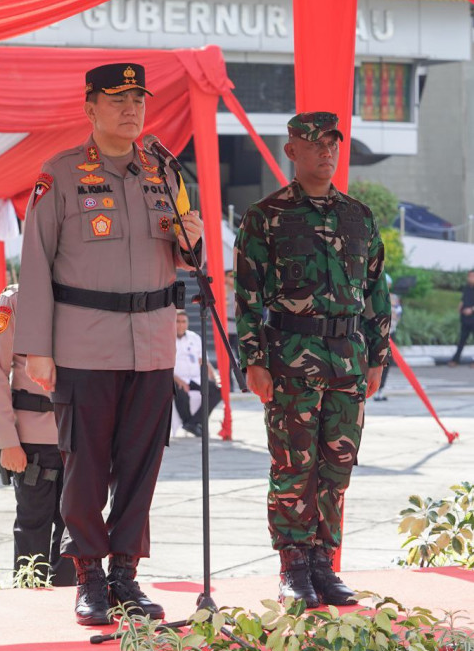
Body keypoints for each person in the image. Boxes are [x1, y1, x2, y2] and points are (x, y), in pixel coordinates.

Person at [14, 63, 204, 626]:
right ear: (90, 107)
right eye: (117, 99)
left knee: (142, 464)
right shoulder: (63, 174)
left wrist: (192, 239)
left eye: (138, 99)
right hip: (83, 344)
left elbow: (181, 256)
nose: (131, 109)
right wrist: (35, 348)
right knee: (86, 465)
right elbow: (36, 262)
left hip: (150, 345)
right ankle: (90, 576)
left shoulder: (164, 175)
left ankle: (125, 574)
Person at [234, 112, 390, 608]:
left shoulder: (359, 216)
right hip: (290, 360)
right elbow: (247, 296)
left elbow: (374, 291)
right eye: (314, 143)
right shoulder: (267, 216)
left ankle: (324, 562)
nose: (326, 152)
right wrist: (253, 359)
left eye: (332, 143)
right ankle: (293, 565)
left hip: (348, 359)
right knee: (292, 464)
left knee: (336, 465)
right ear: (291, 151)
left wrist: (378, 353)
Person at [0, 284, 76, 588]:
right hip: (31, 440)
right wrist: (7, 440)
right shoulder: (15, 300)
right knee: (32, 527)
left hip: (77, 434)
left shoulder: (83, 292)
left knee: (75, 530)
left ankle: (70, 601)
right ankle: (29, 601)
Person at [172, 310, 221, 437]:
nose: (180, 325)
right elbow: (164, 366)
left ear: (187, 323)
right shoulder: (167, 339)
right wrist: (179, 380)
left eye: (183, 322)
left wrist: (215, 376)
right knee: (180, 394)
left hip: (195, 379)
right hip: (175, 379)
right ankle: (190, 423)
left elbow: (204, 361)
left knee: (217, 390)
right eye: (177, 321)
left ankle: (193, 423)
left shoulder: (195, 338)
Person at [373, 274, 401, 401]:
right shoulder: (373, 295)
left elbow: (396, 316)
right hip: (375, 333)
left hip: (388, 334)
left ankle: (380, 389)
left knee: (385, 363)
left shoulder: (393, 298)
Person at [447, 269, 474, 367]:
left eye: (472, 276)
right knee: (462, 340)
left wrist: (471, 309)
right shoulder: (466, 288)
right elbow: (463, 299)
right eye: (469, 276)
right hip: (465, 319)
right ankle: (455, 359)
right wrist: (460, 307)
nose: (470, 278)